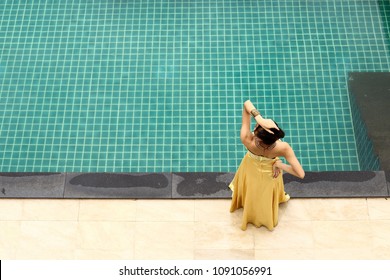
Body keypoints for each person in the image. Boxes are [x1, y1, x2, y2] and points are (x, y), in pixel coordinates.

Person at [229, 100, 305, 231]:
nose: (255, 127)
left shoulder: (247, 139)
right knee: (265, 195)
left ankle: (249, 209)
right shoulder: (282, 148)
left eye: (257, 127)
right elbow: (300, 173)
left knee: (250, 190)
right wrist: (279, 164)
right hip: (270, 174)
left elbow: (246, 104)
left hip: (249, 170)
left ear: (257, 135)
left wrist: (259, 118)